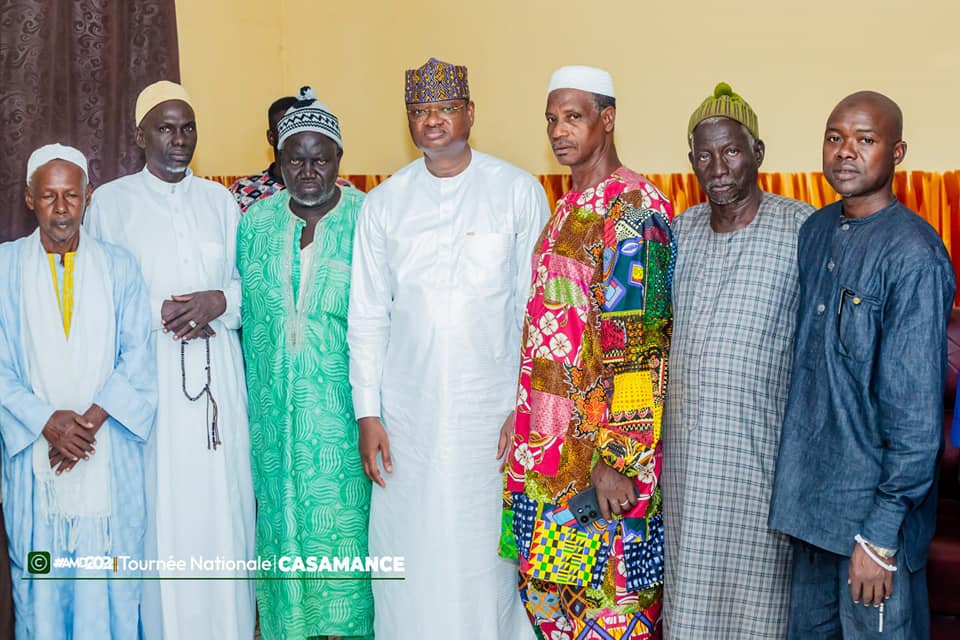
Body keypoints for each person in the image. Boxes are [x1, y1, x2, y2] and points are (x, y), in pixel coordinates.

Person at [347, 57, 551, 639]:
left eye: (443, 108)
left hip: (492, 415)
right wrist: (368, 413)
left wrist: (527, 402)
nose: (431, 121)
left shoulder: (517, 191)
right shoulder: (384, 203)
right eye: (419, 111)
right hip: (406, 414)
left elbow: (533, 309)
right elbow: (367, 315)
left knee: (484, 548)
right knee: (410, 541)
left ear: (469, 113)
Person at [769, 91, 956, 639]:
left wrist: (879, 535)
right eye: (835, 138)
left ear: (896, 152)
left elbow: (918, 419)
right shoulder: (815, 231)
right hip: (809, 516)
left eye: (865, 140)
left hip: (872, 529)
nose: (845, 152)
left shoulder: (914, 255)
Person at [500, 65, 675, 640]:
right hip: (549, 458)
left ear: (608, 118)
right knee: (555, 614)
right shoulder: (568, 207)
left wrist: (619, 458)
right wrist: (522, 411)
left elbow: (639, 345)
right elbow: (557, 329)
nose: (559, 130)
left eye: (573, 117)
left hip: (598, 471)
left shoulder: (632, 209)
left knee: (610, 613)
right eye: (551, 118)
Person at [84, 81, 256, 640]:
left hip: (218, 378)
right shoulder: (111, 202)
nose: (179, 139)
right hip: (152, 378)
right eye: (166, 127)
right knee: (165, 511)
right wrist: (150, 309)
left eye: (187, 128)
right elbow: (95, 293)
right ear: (140, 136)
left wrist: (219, 301)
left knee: (223, 504)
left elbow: (246, 285)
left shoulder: (219, 200)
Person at [660, 83, 814, 639]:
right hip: (684, 465)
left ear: (758, 153)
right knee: (689, 606)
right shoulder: (679, 232)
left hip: (762, 462)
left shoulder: (803, 228)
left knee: (758, 612)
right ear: (691, 162)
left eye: (731, 150)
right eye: (704, 154)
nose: (718, 166)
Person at [0, 144, 157, 638]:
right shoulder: (4, 269)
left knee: (108, 583)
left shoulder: (121, 267)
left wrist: (84, 426)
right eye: (50, 196)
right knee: (41, 587)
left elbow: (137, 356)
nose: (62, 208)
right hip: (35, 461)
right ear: (29, 198)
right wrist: (46, 421)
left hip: (105, 455)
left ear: (88, 198)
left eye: (72, 195)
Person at [239, 86, 373, 640]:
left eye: (321, 158)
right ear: (279, 161)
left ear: (340, 161)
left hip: (346, 428)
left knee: (347, 549)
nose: (309, 171)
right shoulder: (254, 224)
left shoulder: (369, 220)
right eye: (296, 158)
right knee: (281, 546)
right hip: (272, 426)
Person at [229, 95, 297, 211]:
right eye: (284, 130)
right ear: (271, 137)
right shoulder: (240, 191)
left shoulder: (332, 189)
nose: (294, 136)